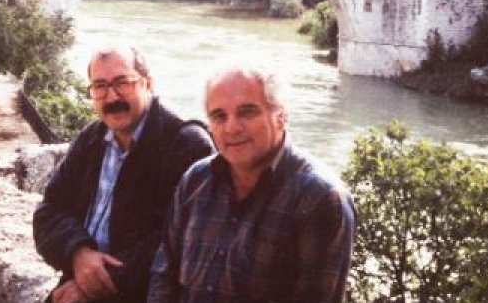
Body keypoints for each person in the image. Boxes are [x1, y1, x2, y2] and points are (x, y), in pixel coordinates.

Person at [148, 68, 355, 303]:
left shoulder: (318, 198)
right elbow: (163, 273)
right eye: (219, 116)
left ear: (281, 116)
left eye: (247, 112)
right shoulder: (196, 180)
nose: (232, 128)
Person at [33, 47, 214, 303]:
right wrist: (78, 252)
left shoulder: (186, 145)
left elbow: (178, 242)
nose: (112, 96)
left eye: (122, 83)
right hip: (79, 278)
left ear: (148, 83)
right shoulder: (91, 139)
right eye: (100, 86)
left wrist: (94, 283)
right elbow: (49, 210)